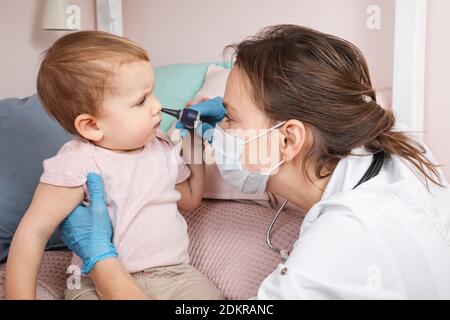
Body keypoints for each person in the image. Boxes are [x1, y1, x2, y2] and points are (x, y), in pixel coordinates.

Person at [59, 25, 450, 299]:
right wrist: (229, 126)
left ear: (289, 138)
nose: (221, 129)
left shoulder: (336, 247)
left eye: (230, 116)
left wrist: (103, 261)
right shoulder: (389, 139)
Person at [5, 31, 223, 300]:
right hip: (92, 281)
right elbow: (32, 233)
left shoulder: (162, 145)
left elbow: (188, 199)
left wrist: (195, 143)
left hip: (174, 274)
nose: (157, 106)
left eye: (152, 93)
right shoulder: (78, 162)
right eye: (141, 100)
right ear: (92, 126)